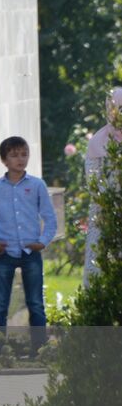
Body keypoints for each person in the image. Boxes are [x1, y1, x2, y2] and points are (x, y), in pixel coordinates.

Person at [0, 137, 55, 350]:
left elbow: (50, 217)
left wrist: (43, 241)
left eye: (24, 154)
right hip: (4, 252)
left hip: (31, 251)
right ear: (4, 160)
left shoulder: (37, 185)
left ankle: (40, 350)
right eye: (14, 155)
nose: (20, 159)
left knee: (36, 304)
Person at [82, 88, 122, 285]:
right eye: (118, 109)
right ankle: (97, 310)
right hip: (104, 212)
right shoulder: (98, 141)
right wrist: (111, 201)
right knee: (99, 262)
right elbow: (93, 181)